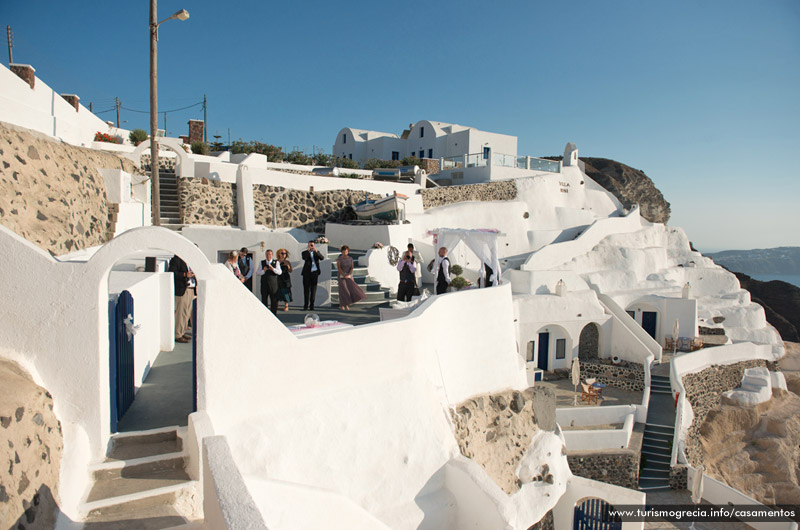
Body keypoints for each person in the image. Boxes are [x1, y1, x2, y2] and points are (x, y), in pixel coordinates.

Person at [168, 254, 194, 343]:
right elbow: (172, 272)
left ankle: (182, 332)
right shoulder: (176, 260)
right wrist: (185, 274)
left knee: (187, 312)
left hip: (190, 289)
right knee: (181, 313)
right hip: (182, 290)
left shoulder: (189, 261)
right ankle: (178, 334)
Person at [336, 245, 366, 310]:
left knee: (351, 289)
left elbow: (352, 267)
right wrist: (344, 275)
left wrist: (349, 274)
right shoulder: (339, 259)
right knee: (343, 290)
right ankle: (342, 305)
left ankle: (347, 304)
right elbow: (339, 268)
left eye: (346, 251)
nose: (345, 252)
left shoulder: (350, 258)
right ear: (342, 251)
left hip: (349, 275)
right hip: (342, 275)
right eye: (344, 251)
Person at [301, 241, 325, 311]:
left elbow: (322, 258)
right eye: (310, 245)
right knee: (306, 290)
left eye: (312, 245)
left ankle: (312, 305)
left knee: (313, 290)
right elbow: (304, 258)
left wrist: (316, 251)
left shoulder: (316, 252)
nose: (311, 246)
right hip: (306, 273)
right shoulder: (304, 252)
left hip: (314, 273)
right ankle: (306, 305)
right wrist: (308, 251)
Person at [257, 249, 282, 314]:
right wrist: (264, 270)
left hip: (273, 284)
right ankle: (265, 314)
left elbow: (279, 272)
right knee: (264, 299)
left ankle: (274, 314)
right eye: (267, 254)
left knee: (274, 300)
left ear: (272, 255)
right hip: (264, 284)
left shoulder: (276, 262)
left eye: (270, 254)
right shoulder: (262, 262)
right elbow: (258, 273)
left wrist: (273, 269)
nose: (268, 256)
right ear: (265, 255)